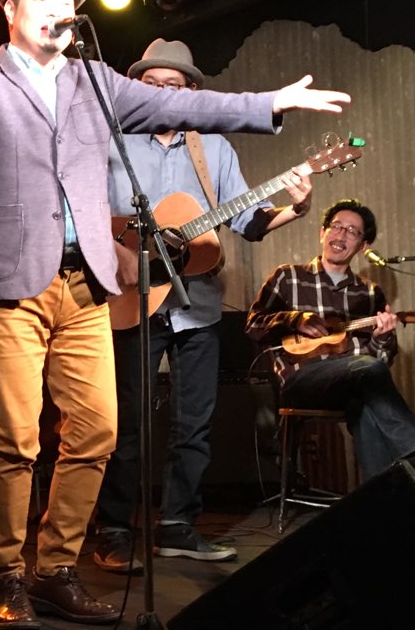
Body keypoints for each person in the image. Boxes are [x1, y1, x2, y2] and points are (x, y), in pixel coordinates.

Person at [0, 0, 349, 630]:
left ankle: (55, 569)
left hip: (85, 286)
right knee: (16, 438)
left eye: (66, 2)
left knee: (98, 430)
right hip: (13, 287)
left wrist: (271, 102)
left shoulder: (96, 82)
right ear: (11, 10)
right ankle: (6, 577)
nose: (57, 11)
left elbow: (188, 105)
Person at [93, 39, 315, 574]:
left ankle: (177, 526)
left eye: (173, 87)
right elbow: (88, 214)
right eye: (151, 85)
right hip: (131, 300)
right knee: (125, 423)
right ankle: (114, 529)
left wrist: (297, 207)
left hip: (198, 304)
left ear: (191, 91)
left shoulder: (212, 148)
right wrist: (123, 251)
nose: (162, 94)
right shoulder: (112, 141)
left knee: (194, 424)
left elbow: (249, 221)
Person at [244, 199, 415, 483]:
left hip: (353, 384)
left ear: (363, 245)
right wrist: (293, 319)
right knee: (367, 373)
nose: (341, 235)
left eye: (352, 231)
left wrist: (381, 338)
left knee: (365, 404)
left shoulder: (370, 294)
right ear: (322, 232)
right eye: (336, 226)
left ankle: (380, 495)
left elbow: (380, 363)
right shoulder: (287, 277)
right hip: (301, 381)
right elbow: (253, 326)